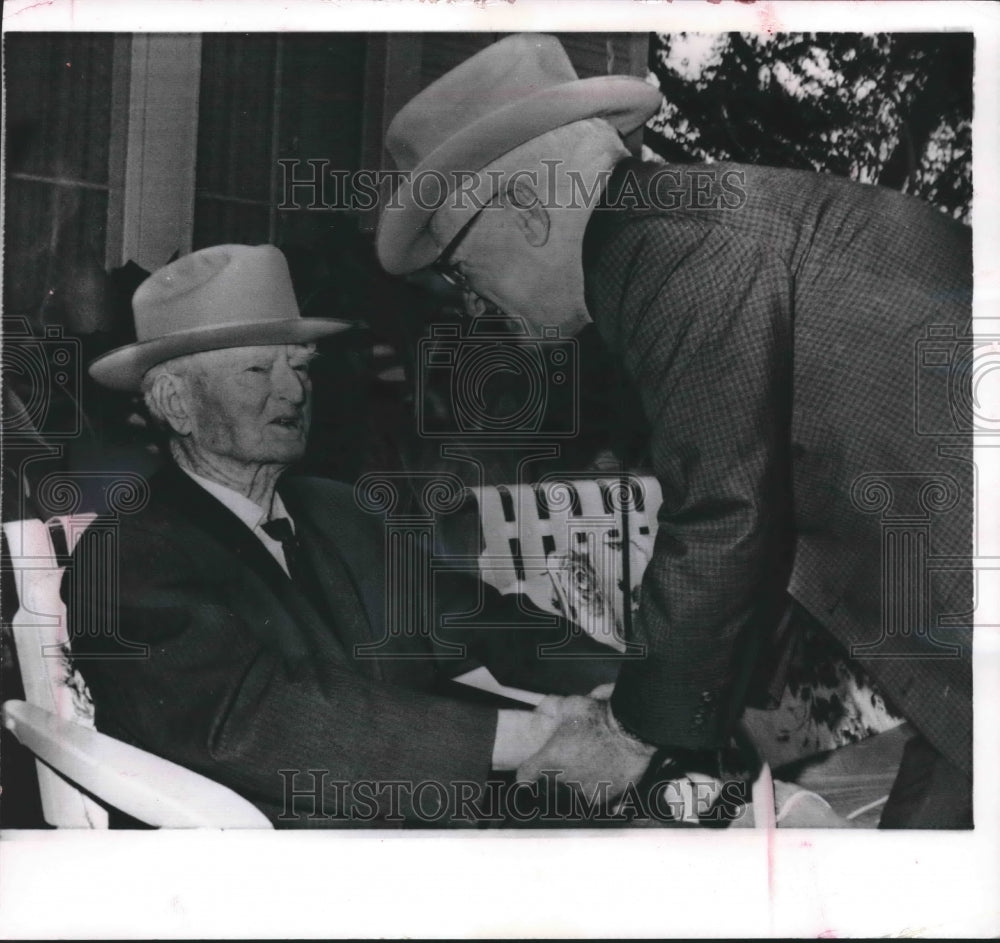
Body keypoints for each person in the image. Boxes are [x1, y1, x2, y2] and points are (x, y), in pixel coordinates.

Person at [375, 34, 973, 827]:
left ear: (523, 209)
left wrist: (627, 733)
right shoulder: (679, 228)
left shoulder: (675, 253)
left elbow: (727, 515)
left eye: (458, 268)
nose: (473, 305)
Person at [67, 243, 623, 827]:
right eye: (258, 370)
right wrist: (530, 734)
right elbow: (258, 721)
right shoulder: (127, 553)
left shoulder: (338, 509)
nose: (293, 392)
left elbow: (478, 619)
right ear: (176, 404)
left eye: (300, 367)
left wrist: (628, 693)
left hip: (421, 829)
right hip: (272, 872)